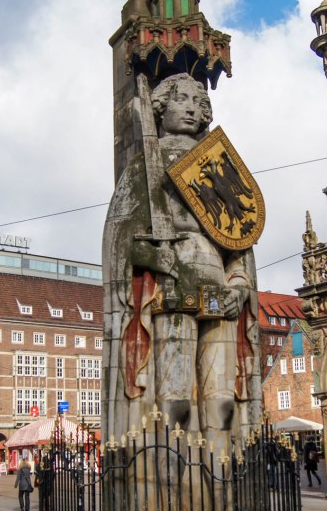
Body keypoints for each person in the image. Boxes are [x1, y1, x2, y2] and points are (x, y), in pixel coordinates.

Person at [103, 72, 261, 450]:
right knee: (175, 400)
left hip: (219, 293)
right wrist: (153, 256)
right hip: (172, 290)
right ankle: (177, 480)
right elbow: (121, 237)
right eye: (181, 100)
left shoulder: (217, 163)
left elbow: (237, 240)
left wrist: (239, 287)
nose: (191, 108)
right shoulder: (146, 165)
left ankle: (221, 475)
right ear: (160, 107)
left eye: (197, 101)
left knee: (221, 398)